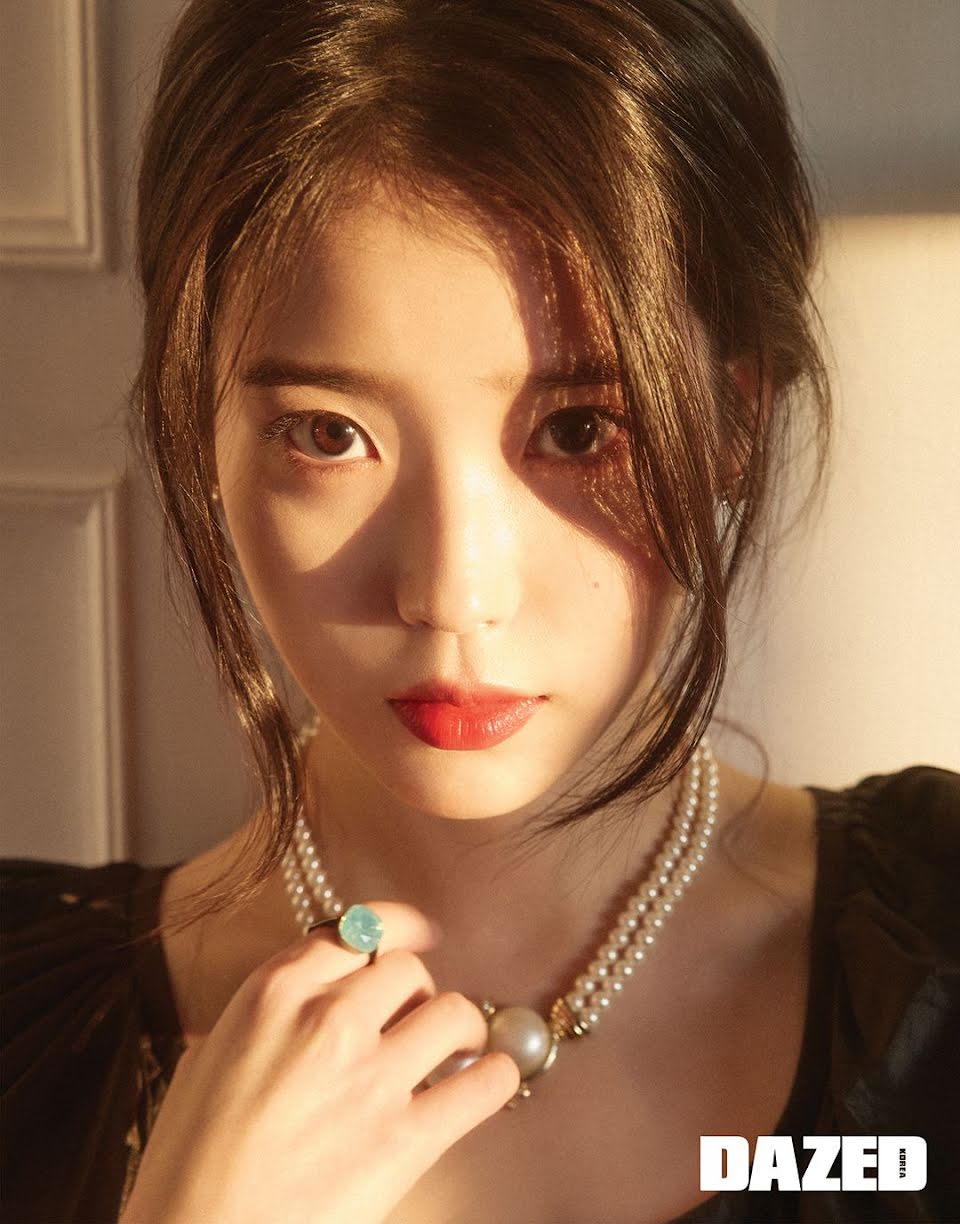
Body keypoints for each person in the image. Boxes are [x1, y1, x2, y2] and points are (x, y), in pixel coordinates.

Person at [2, 0, 958, 1221]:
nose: (453, 592)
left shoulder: (936, 958)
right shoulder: (26, 1048)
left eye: (580, 430)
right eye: (328, 434)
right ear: (203, 437)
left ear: (734, 419)